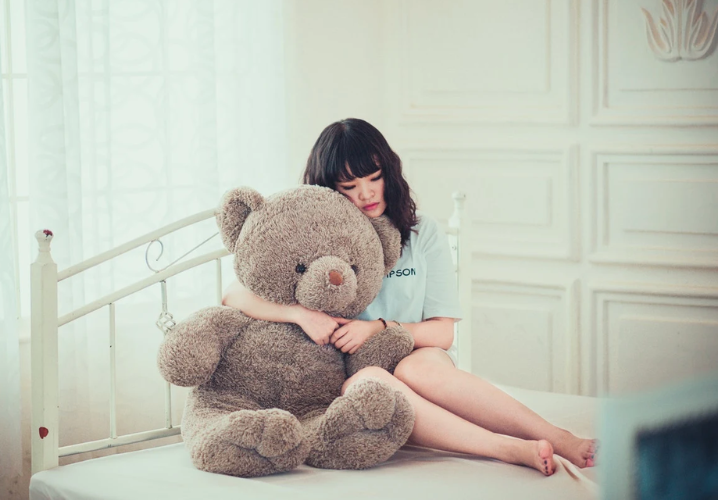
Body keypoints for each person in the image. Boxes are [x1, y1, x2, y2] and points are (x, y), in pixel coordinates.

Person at [222, 118, 596, 476]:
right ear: (328, 189)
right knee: (365, 383)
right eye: (349, 186)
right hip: (349, 373)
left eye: (374, 177)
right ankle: (506, 448)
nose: (366, 193)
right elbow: (233, 294)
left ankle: (557, 436)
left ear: (389, 173)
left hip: (417, 354)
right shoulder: (314, 236)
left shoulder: (421, 233)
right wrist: (301, 315)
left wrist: (378, 329)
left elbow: (443, 333)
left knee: (412, 368)